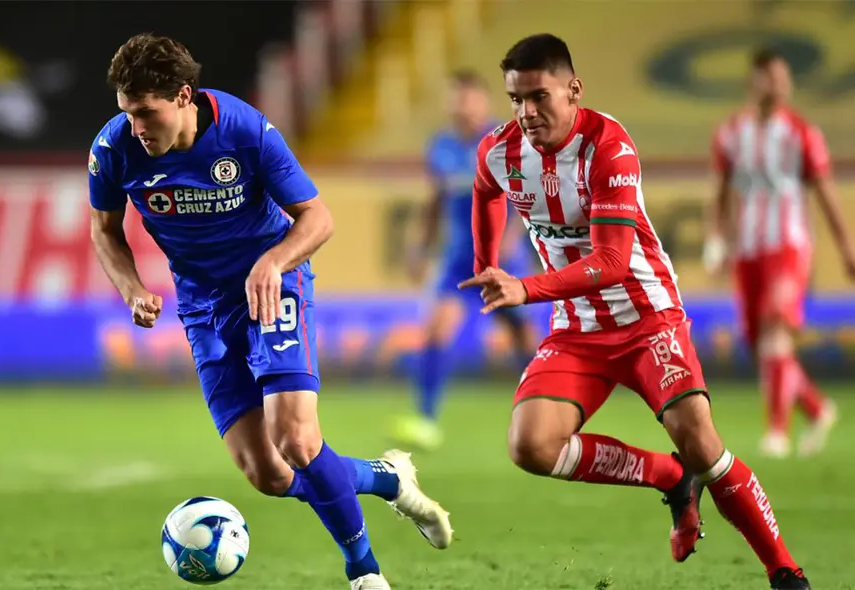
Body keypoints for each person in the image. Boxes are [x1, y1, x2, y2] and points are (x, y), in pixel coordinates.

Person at [87, 34, 452, 590]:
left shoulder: (244, 130)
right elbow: (105, 231)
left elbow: (317, 218)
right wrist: (133, 289)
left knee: (298, 440)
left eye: (145, 112)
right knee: (269, 474)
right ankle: (384, 478)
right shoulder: (115, 149)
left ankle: (364, 572)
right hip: (203, 307)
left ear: (183, 96)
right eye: (127, 112)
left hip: (273, 288)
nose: (136, 126)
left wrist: (275, 261)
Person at [458, 34, 810, 589]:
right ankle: (669, 477)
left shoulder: (608, 145)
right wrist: (486, 263)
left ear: (573, 90)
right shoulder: (498, 150)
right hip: (576, 329)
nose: (526, 112)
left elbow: (613, 262)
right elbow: (485, 190)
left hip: (647, 318)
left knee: (701, 441)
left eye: (539, 97)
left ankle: (784, 570)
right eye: (516, 100)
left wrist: (524, 287)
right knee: (530, 444)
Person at [705, 48, 855, 458]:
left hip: (788, 245)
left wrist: (847, 248)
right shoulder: (731, 134)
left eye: (783, 77)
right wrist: (717, 242)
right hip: (748, 250)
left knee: (776, 334)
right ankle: (816, 407)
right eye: (771, 76)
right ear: (753, 81)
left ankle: (776, 433)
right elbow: (720, 193)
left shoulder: (801, 133)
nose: (780, 85)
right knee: (760, 345)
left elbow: (825, 192)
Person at [396, 69, 536, 451]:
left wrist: (509, 242)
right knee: (436, 329)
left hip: (502, 259)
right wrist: (419, 248)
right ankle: (426, 419)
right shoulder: (440, 147)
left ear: (483, 101)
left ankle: (546, 407)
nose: (460, 104)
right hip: (459, 257)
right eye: (454, 97)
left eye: (467, 96)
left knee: (522, 332)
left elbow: (525, 198)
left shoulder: (504, 141)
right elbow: (434, 203)